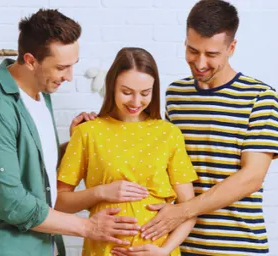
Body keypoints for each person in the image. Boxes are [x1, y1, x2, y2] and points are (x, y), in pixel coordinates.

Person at [0, 9, 141, 256]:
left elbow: (35, 169)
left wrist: (73, 145)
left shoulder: (41, 94)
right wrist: (89, 227)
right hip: (1, 248)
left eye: (72, 66)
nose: (69, 77)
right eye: (61, 68)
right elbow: (11, 203)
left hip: (41, 245)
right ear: (31, 61)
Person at [112, 0, 278, 255]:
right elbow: (153, 153)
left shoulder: (259, 97)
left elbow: (251, 178)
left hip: (237, 246)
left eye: (211, 54)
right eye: (193, 50)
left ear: (231, 48)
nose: (200, 63)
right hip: (179, 246)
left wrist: (182, 211)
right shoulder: (176, 94)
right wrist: (96, 126)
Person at [56, 47, 200, 256]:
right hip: (104, 250)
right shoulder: (87, 132)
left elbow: (189, 210)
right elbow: (59, 203)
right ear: (112, 86)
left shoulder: (169, 134)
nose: (135, 102)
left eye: (145, 93)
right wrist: (101, 192)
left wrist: (164, 251)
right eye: (126, 92)